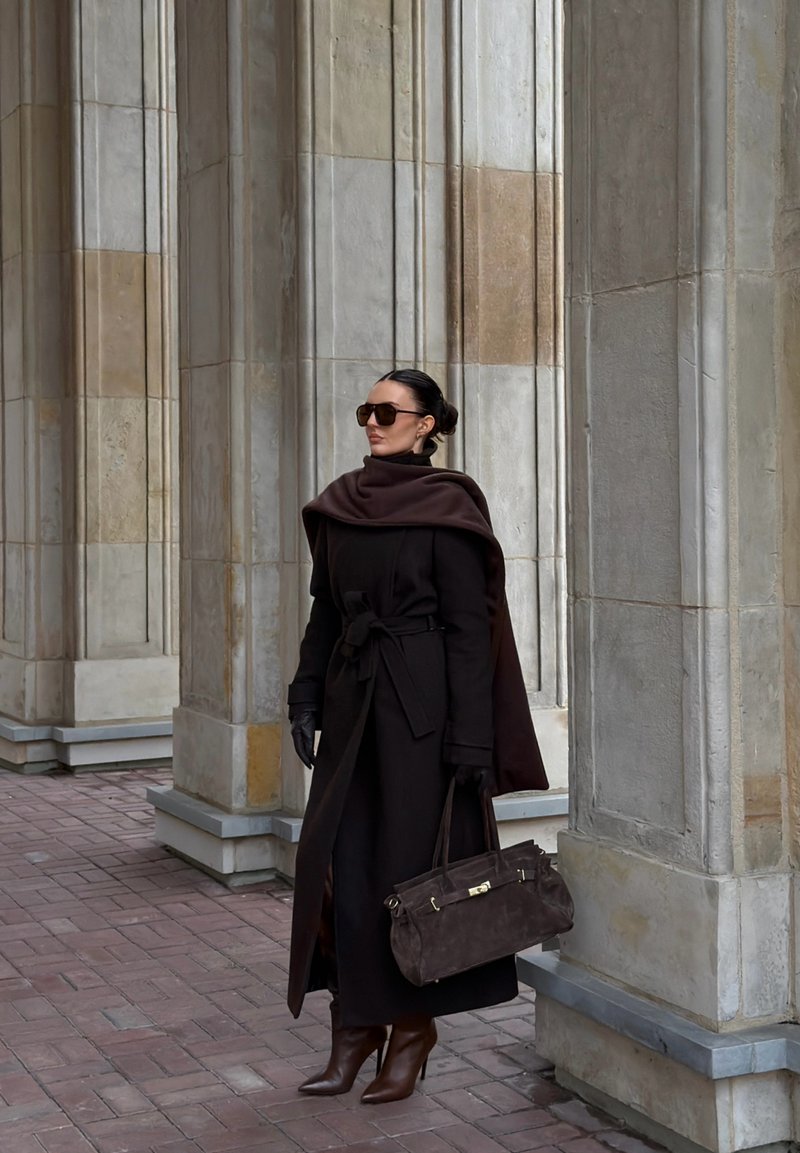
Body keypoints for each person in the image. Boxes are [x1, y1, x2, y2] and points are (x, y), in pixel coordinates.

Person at [287, 368, 548, 1104]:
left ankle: (408, 1028)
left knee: (404, 877)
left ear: (427, 423)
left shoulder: (448, 508)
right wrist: (304, 697)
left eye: (387, 411)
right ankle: (353, 1026)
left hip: (422, 721)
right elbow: (326, 617)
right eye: (364, 409)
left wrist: (472, 744)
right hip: (349, 712)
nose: (371, 421)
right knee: (337, 869)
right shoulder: (340, 504)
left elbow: (472, 632)